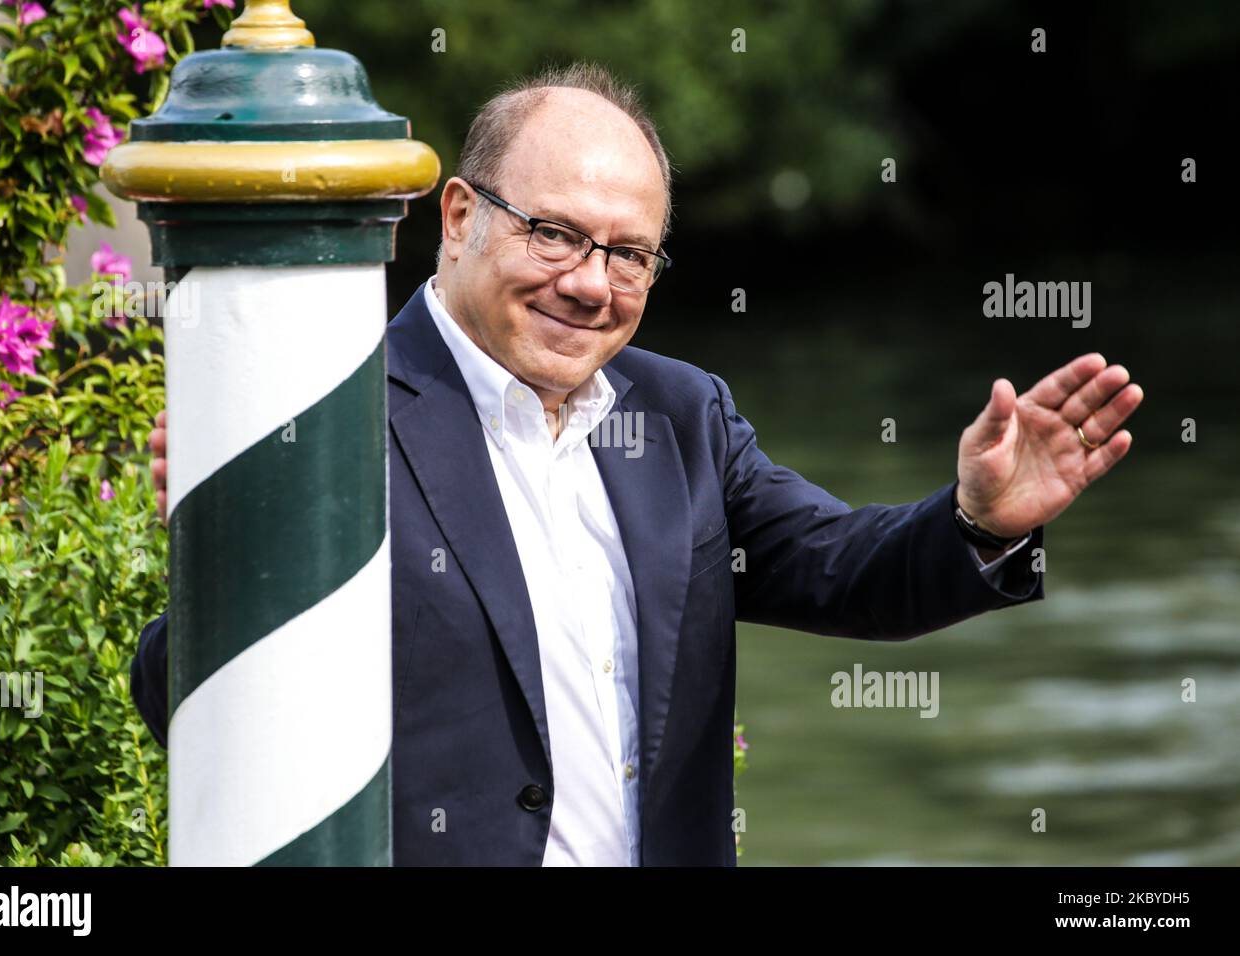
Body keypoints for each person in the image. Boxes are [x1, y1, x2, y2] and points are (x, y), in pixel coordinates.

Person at [130, 62, 1143, 866]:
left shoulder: (679, 411)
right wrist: (235, 553)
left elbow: (844, 568)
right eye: (555, 234)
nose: (589, 282)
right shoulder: (333, 418)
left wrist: (977, 518)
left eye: (629, 253)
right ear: (456, 216)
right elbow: (193, 704)